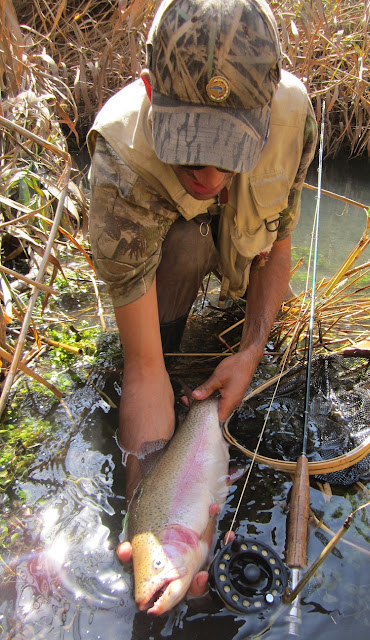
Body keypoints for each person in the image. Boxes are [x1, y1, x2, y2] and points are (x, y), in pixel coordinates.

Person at [87, 0, 316, 563]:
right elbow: (141, 373)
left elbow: (277, 250)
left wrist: (250, 355)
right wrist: (154, 515)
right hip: (172, 250)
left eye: (229, 152)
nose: (212, 177)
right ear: (148, 90)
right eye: (192, 153)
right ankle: (173, 343)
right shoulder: (122, 160)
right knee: (180, 264)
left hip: (241, 250)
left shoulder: (292, 115)